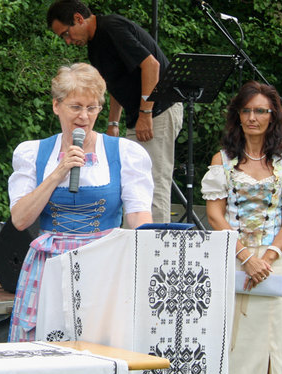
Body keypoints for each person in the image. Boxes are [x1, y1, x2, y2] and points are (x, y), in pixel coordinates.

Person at [8, 62, 154, 342]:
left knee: (100, 347)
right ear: (56, 106)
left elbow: (138, 218)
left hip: (105, 265)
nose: (84, 117)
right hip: (49, 267)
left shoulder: (125, 153)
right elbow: (20, 219)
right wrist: (58, 173)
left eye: (92, 108)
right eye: (76, 107)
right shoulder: (33, 153)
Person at [200, 81, 282, 374]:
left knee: (271, 342)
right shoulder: (223, 161)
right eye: (246, 110)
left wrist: (268, 257)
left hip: (274, 260)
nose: (252, 117)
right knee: (235, 340)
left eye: (260, 111)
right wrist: (247, 257)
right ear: (238, 115)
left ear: (272, 116)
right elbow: (215, 217)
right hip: (234, 255)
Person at [47, 0, 184, 223]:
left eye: (66, 33)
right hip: (139, 114)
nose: (69, 41)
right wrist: (113, 124)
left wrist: (146, 113)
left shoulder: (111, 28)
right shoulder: (95, 45)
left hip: (158, 109)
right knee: (129, 181)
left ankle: (151, 250)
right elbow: (113, 84)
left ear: (79, 19)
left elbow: (152, 66)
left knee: (150, 184)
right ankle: (132, 247)